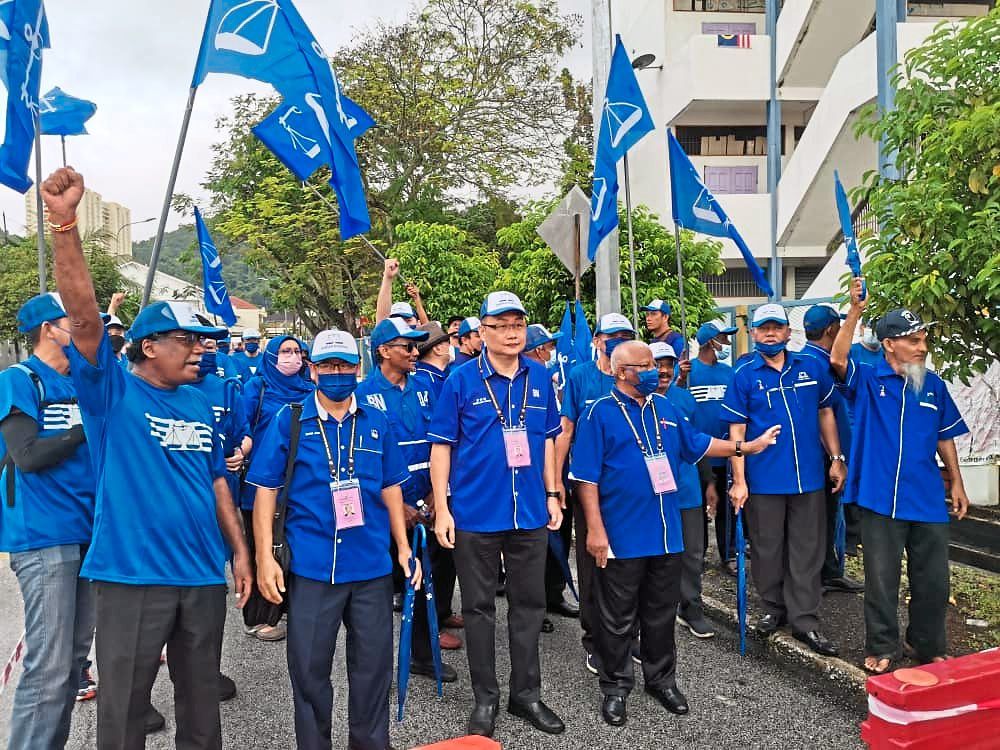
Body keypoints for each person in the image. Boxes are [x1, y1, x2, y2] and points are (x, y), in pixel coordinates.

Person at [43, 167, 252, 750]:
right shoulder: (113, 393)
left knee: (202, 712)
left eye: (200, 339)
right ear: (147, 347)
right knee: (123, 714)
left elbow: (216, 483)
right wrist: (64, 225)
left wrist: (238, 552)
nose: (198, 348)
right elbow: (84, 319)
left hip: (202, 579)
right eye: (185, 339)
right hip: (133, 579)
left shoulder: (201, 400)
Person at [571, 341, 779, 726]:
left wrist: (745, 447)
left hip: (666, 532)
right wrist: (595, 531)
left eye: (655, 364)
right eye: (645, 365)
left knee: (660, 612)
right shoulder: (598, 413)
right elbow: (585, 479)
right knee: (617, 617)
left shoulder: (665, 407)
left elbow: (698, 444)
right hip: (621, 534)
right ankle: (615, 687)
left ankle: (661, 679)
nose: (655, 370)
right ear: (621, 372)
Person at [249, 329, 420, 750]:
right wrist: (264, 559)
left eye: (343, 365)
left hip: (370, 567)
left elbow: (392, 487)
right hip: (311, 566)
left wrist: (402, 548)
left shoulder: (377, 422)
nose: (336, 373)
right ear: (314, 370)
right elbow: (265, 489)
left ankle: (370, 744)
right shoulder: (289, 420)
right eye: (327, 366)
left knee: (372, 669)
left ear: (357, 368)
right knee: (308, 672)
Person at [430, 291, 565, 738]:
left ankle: (525, 694)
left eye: (517, 324)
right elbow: (442, 447)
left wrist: (551, 492)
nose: (511, 333)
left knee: (528, 606)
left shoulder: (540, 377)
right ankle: (485, 698)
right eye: (501, 325)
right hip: (474, 512)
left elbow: (547, 439)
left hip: (528, 511)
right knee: (479, 608)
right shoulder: (461, 380)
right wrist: (443, 508)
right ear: (482, 332)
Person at [831, 280, 970, 674]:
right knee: (881, 580)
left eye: (923, 339)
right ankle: (883, 646)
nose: (921, 347)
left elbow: (944, 436)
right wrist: (855, 311)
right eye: (912, 340)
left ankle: (925, 644)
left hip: (926, 498)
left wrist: (957, 481)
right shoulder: (870, 381)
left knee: (934, 582)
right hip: (880, 498)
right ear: (890, 343)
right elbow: (838, 361)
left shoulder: (933, 386)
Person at [721, 303, 845, 657]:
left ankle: (805, 619)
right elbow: (736, 430)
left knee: (807, 549)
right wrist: (739, 480)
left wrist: (836, 459)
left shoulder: (810, 368)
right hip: (763, 480)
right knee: (767, 548)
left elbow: (826, 412)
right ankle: (774, 608)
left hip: (808, 477)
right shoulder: (744, 374)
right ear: (755, 334)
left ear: (789, 333)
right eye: (764, 328)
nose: (771, 333)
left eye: (777, 327)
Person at [1, 293, 97, 749]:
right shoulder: (19, 380)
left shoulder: (82, 381)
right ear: (47, 330)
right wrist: (84, 431)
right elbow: (28, 454)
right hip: (43, 536)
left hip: (87, 533)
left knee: (74, 660)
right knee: (50, 662)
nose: (81, 330)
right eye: (72, 323)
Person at [357, 318, 462, 667]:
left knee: (425, 581)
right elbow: (360, 459)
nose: (416, 353)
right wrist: (394, 505)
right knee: (377, 591)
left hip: (428, 504)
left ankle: (421, 654)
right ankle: (375, 667)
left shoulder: (427, 388)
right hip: (384, 508)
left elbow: (443, 442)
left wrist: (437, 493)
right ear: (383, 351)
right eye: (407, 347)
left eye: (417, 346)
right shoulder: (362, 396)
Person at [555, 313, 635, 673]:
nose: (618, 340)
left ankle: (627, 636)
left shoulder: (634, 375)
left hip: (630, 489)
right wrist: (555, 482)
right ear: (598, 339)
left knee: (629, 565)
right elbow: (565, 428)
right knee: (592, 565)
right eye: (612, 335)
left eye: (625, 335)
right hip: (588, 486)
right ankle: (594, 639)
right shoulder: (581, 376)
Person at [240, 334, 314, 641]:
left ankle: (289, 609)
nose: (293, 356)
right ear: (271, 357)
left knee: (292, 548)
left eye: (297, 351)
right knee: (263, 548)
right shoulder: (256, 390)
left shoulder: (310, 390)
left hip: (298, 486)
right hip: (261, 485)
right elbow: (241, 429)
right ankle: (260, 617)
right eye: (285, 351)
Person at [650, 342, 715, 639]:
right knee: (655, 555)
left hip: (687, 490)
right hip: (648, 495)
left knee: (692, 553)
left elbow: (700, 443)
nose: (664, 370)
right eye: (657, 364)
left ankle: (690, 608)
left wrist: (710, 483)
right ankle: (654, 610)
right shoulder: (635, 400)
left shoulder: (686, 400)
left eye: (669, 364)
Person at [801, 304, 864, 593]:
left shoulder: (806, 360)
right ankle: (821, 575)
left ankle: (828, 571)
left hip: (826, 456)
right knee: (823, 519)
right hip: (825, 458)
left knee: (829, 518)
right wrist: (835, 457)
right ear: (830, 329)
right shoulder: (820, 364)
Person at [523, 324, 577, 627]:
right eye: (546, 347)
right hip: (536, 470)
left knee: (559, 532)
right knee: (537, 543)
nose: (550, 352)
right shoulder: (527, 376)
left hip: (558, 467)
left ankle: (554, 593)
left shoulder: (547, 377)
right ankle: (537, 603)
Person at [688, 321, 739, 576]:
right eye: (724, 339)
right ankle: (698, 554)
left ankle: (728, 554)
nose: (727, 345)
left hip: (725, 451)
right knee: (697, 507)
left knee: (727, 509)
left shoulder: (729, 373)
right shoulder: (689, 372)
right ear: (711, 342)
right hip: (698, 453)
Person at [375, 258, 429, 327]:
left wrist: (417, 299)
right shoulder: (392, 336)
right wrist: (387, 278)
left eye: (408, 320)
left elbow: (428, 328)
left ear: (418, 323)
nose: (403, 324)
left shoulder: (422, 336)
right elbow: (382, 325)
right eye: (397, 321)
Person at [412, 322, 453, 399]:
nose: (450, 346)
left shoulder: (436, 376)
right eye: (448, 342)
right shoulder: (424, 382)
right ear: (438, 348)